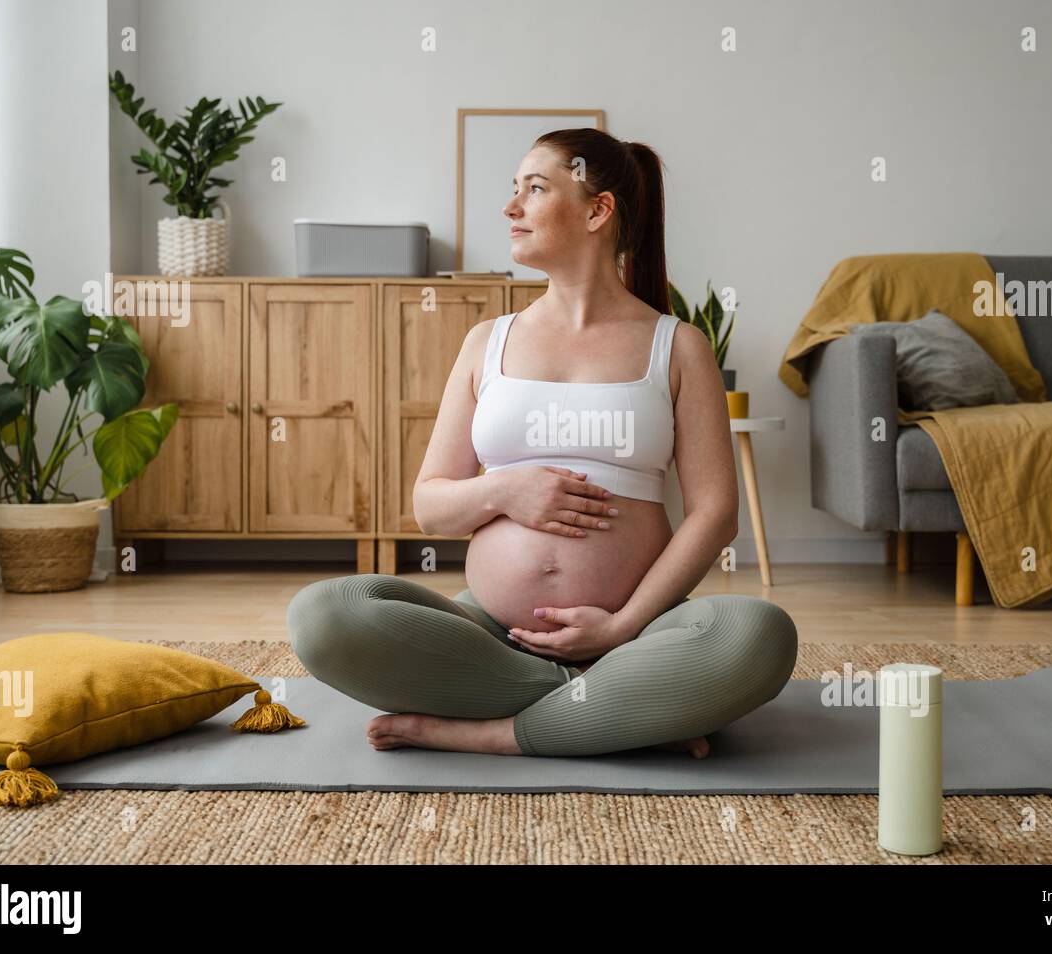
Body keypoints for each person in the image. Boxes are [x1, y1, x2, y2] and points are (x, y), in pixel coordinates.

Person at [287, 128, 798, 758]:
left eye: (534, 189)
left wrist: (621, 626)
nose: (511, 209)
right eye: (514, 191)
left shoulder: (678, 345)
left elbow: (716, 514)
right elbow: (431, 506)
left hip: (639, 632)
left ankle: (499, 729)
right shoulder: (486, 343)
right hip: (491, 632)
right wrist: (507, 489)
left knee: (759, 634)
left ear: (596, 210)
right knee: (326, 613)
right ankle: (622, 707)